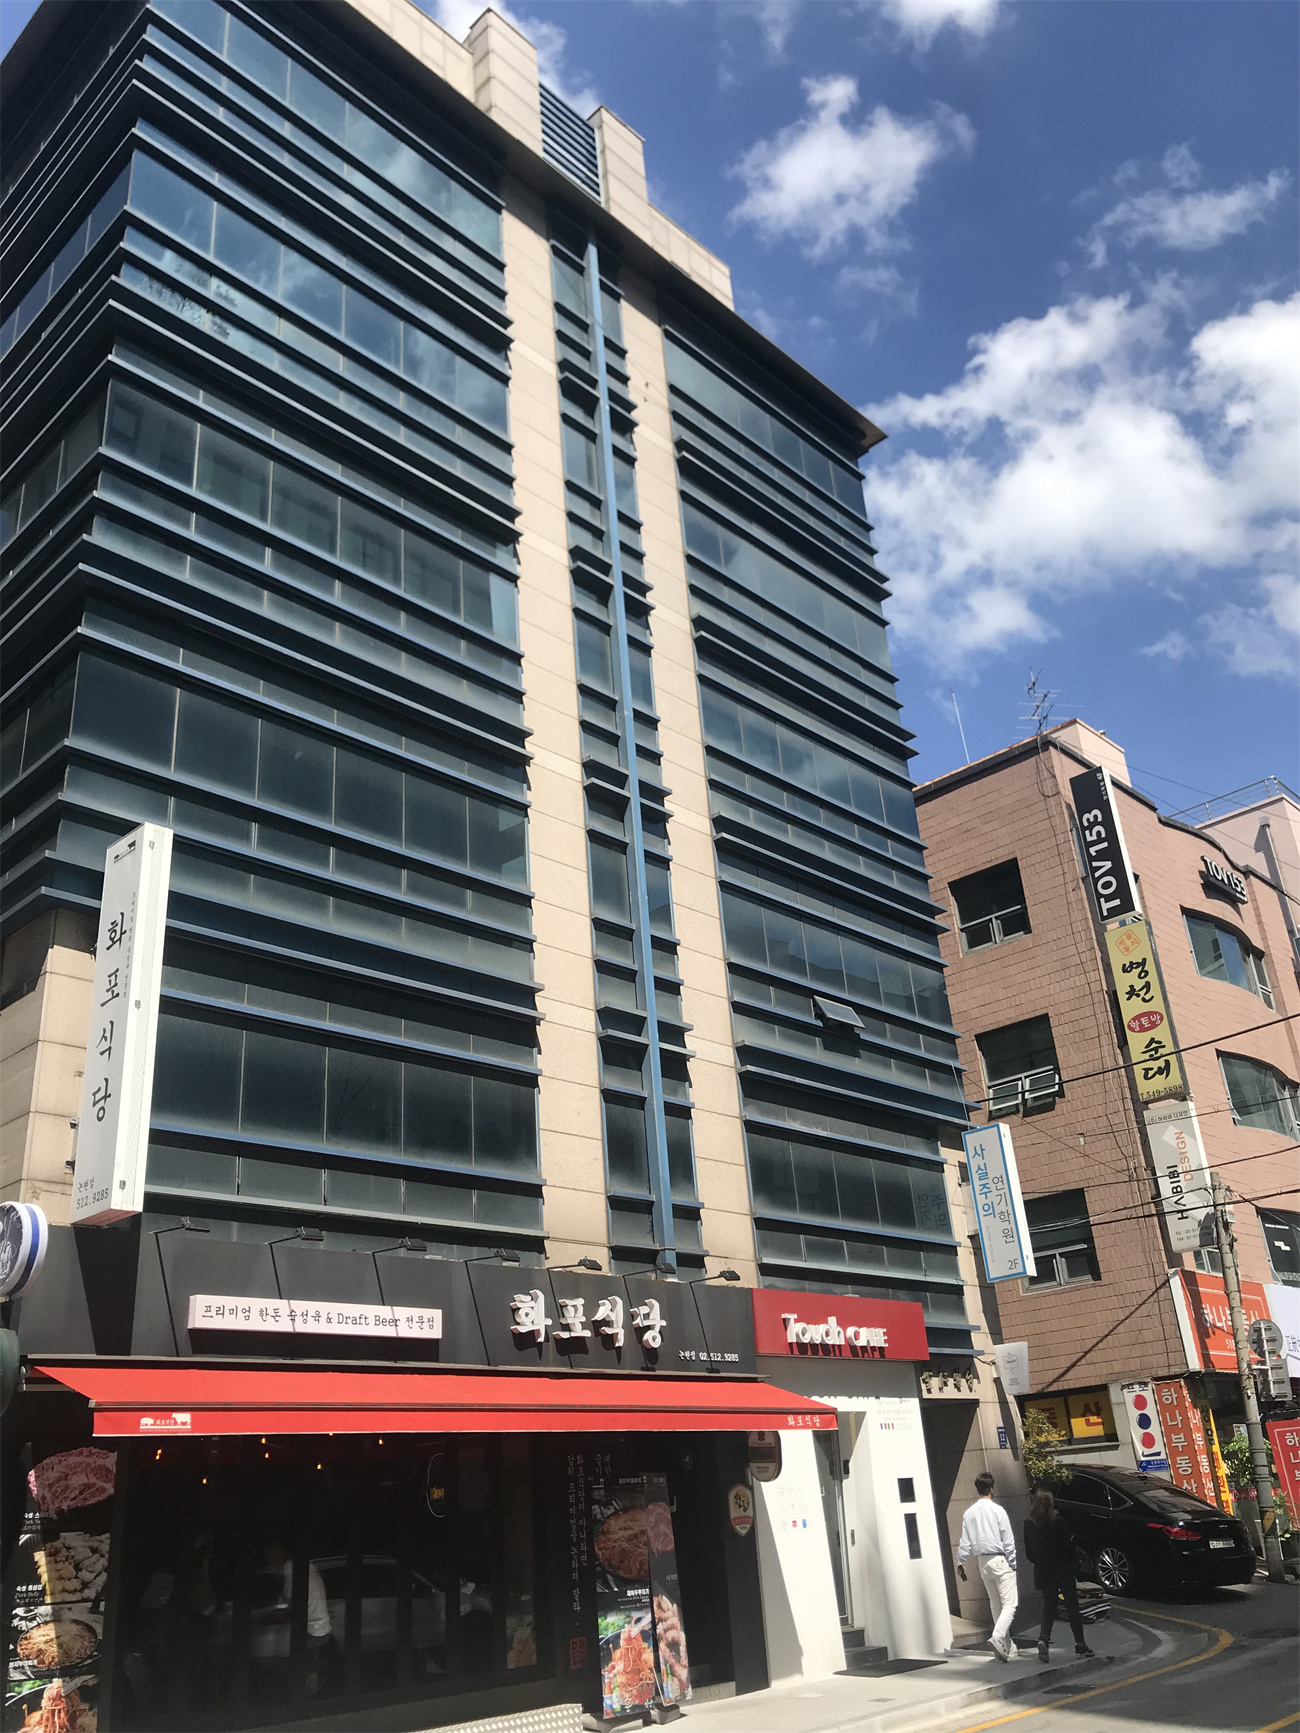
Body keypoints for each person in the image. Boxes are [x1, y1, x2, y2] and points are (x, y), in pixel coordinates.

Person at [1023, 1489, 1095, 1663]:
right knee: (1072, 1607)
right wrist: (1075, 1563)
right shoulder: (1058, 1521)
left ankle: (1044, 1638)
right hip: (1063, 1570)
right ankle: (1080, 1645)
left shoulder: (1029, 1524)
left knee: (1049, 1608)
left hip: (1043, 1571)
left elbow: (1029, 1553)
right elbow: (1067, 1548)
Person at [956, 1471, 1019, 1661]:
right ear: (992, 1488)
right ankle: (998, 1637)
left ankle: (1008, 1646)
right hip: (1000, 1559)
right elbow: (1008, 1539)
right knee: (1010, 1604)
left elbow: (965, 1541)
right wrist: (1013, 1562)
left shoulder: (969, 1513)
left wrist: (961, 1561)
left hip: (982, 1562)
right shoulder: (997, 1510)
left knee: (996, 1604)